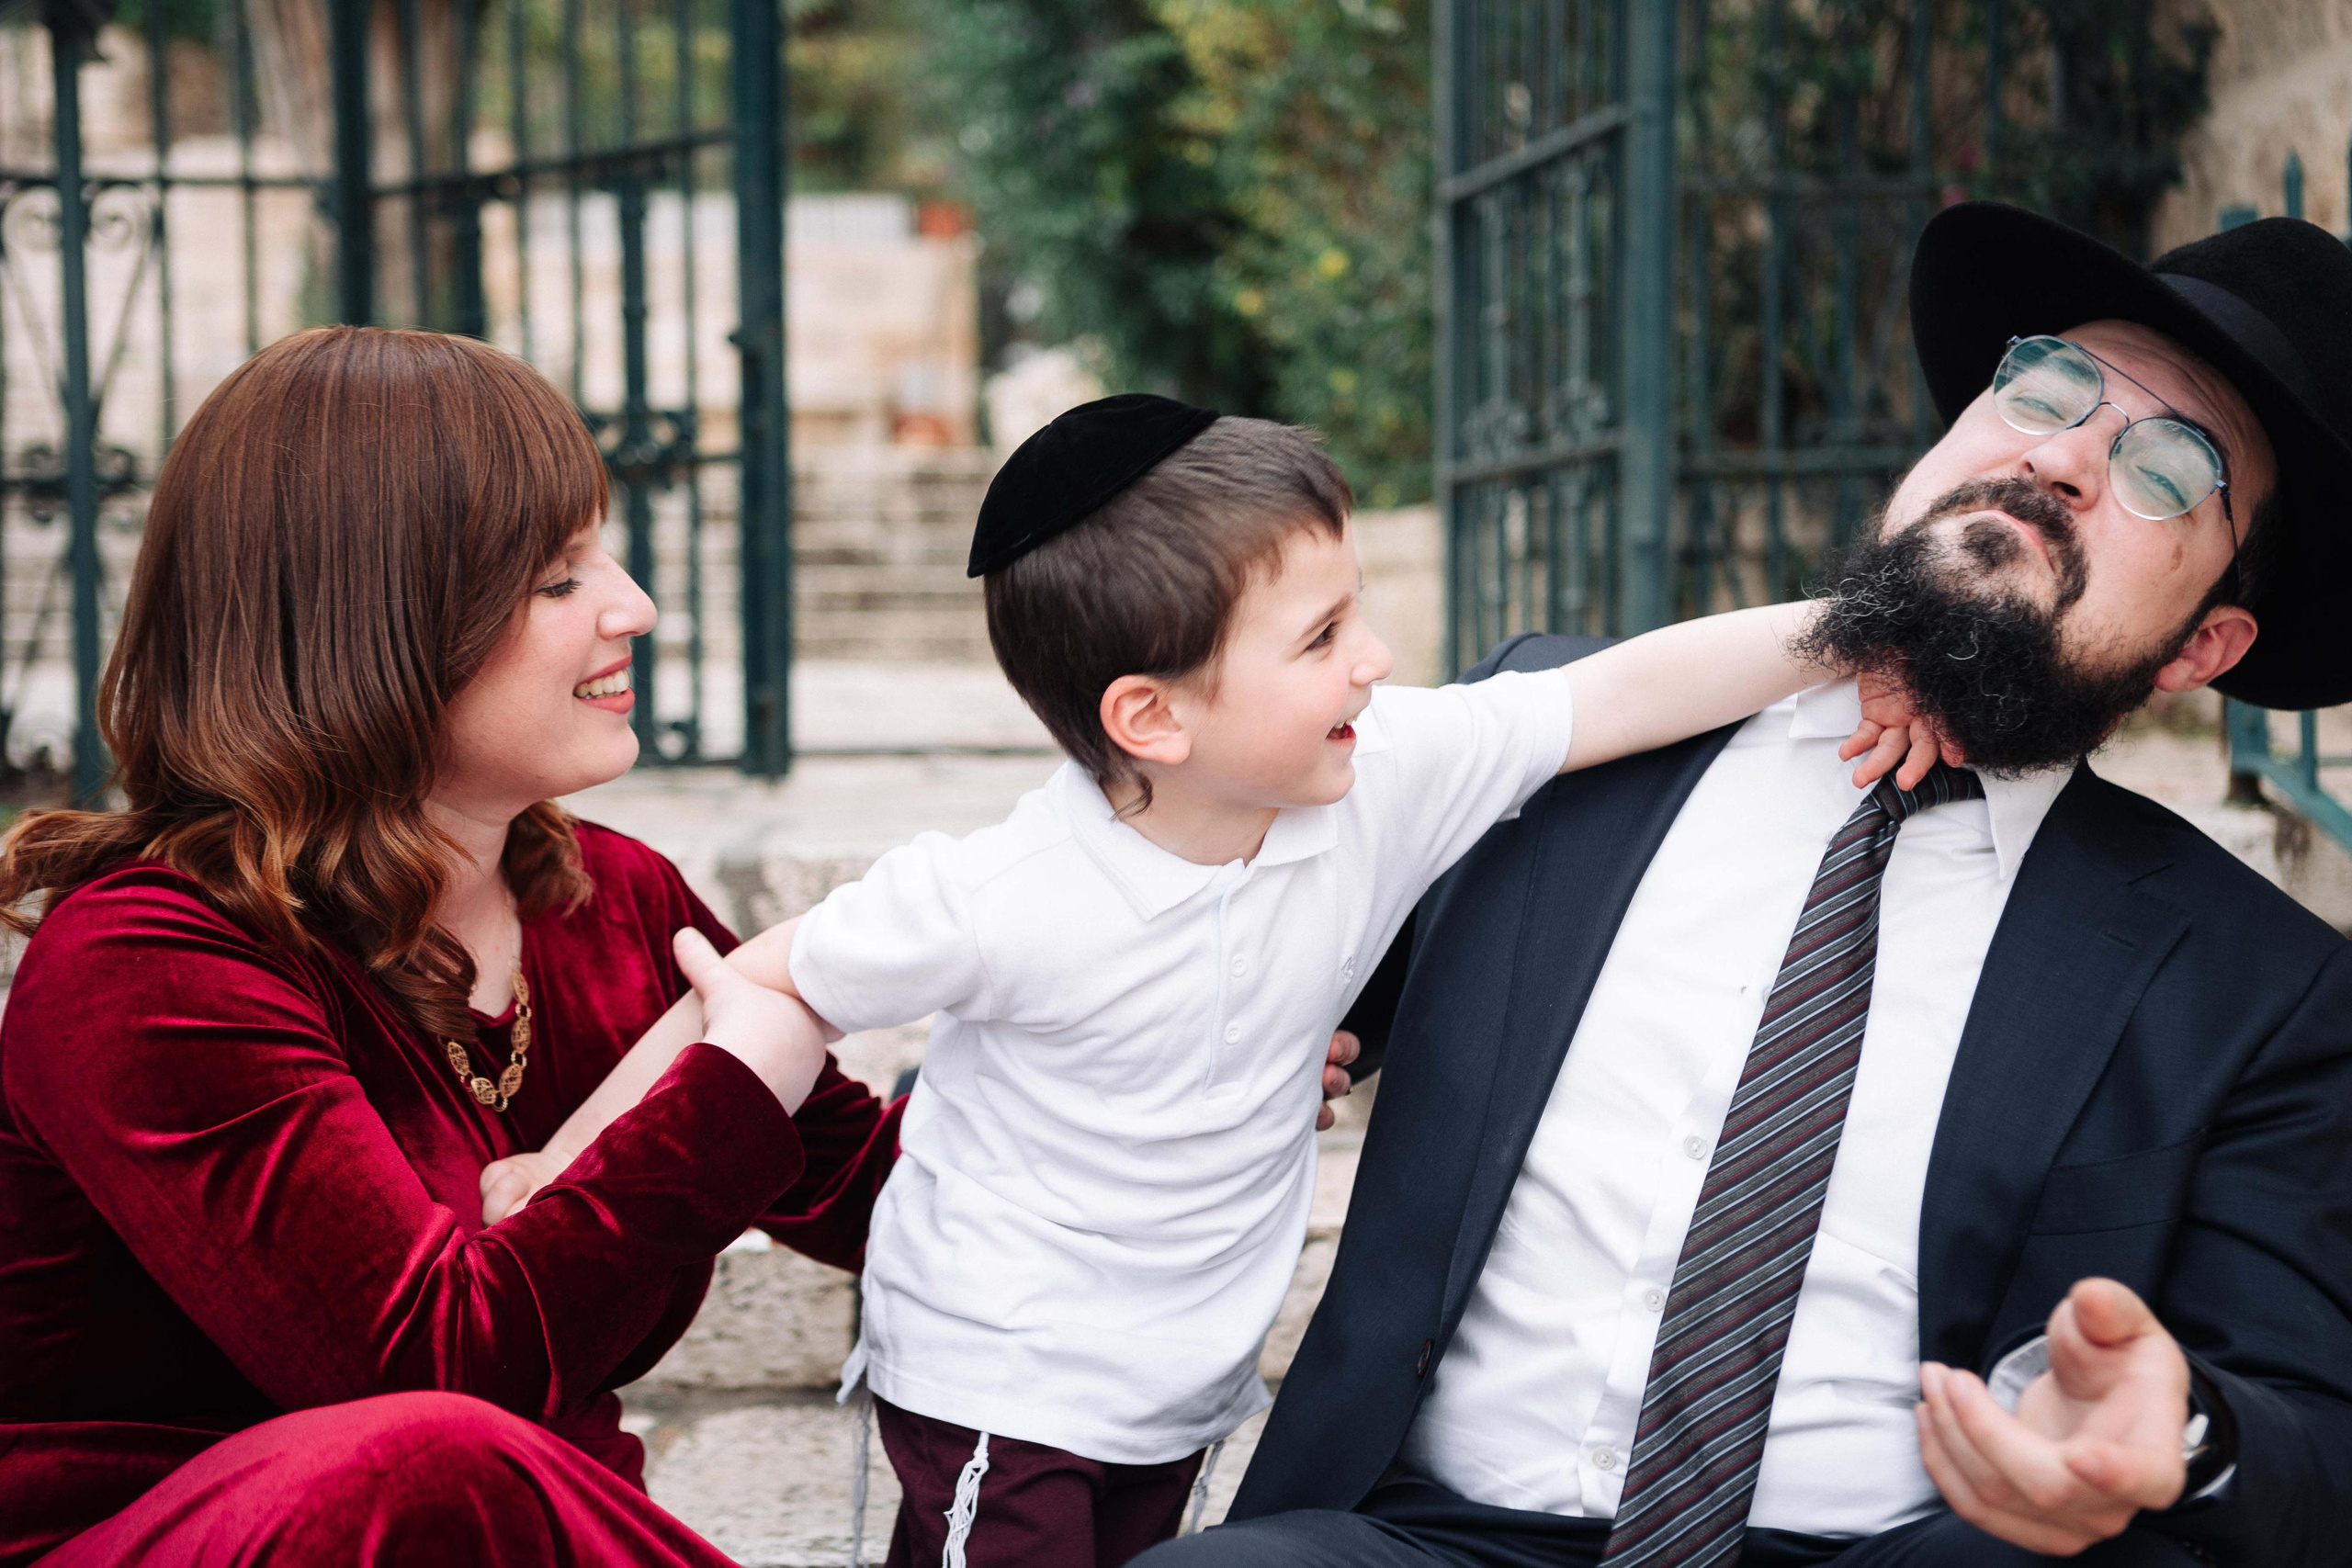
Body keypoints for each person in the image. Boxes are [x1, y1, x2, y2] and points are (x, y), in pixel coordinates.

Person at [487, 397, 1937, 1568]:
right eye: (1319, 639)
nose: (1374, 663)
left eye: (1355, 613)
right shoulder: (1004, 892)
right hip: (1006, 1374)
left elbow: (1613, 693)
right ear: (1151, 716)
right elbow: (757, 983)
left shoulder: (1386, 775)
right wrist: (562, 1159)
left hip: (1181, 1373)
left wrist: (1862, 636)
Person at [1133, 204, 2352, 1568]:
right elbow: (1198, 942)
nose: (2063, 455)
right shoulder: (1558, 735)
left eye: (2170, 468)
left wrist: (2183, 1441)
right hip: (1436, 1540)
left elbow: (2315, 1433)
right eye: (2047, 385)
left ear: (2204, 645)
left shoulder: (2260, 987)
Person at [0, 326, 898, 1565]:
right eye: (558, 579)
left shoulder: (612, 900)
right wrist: (739, 1072)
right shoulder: (147, 966)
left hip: (549, 1532)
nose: (633, 607)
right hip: (194, 1538)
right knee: (424, 1458)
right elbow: (438, 1370)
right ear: (369, 625)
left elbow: (887, 1198)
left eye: (607, 559)